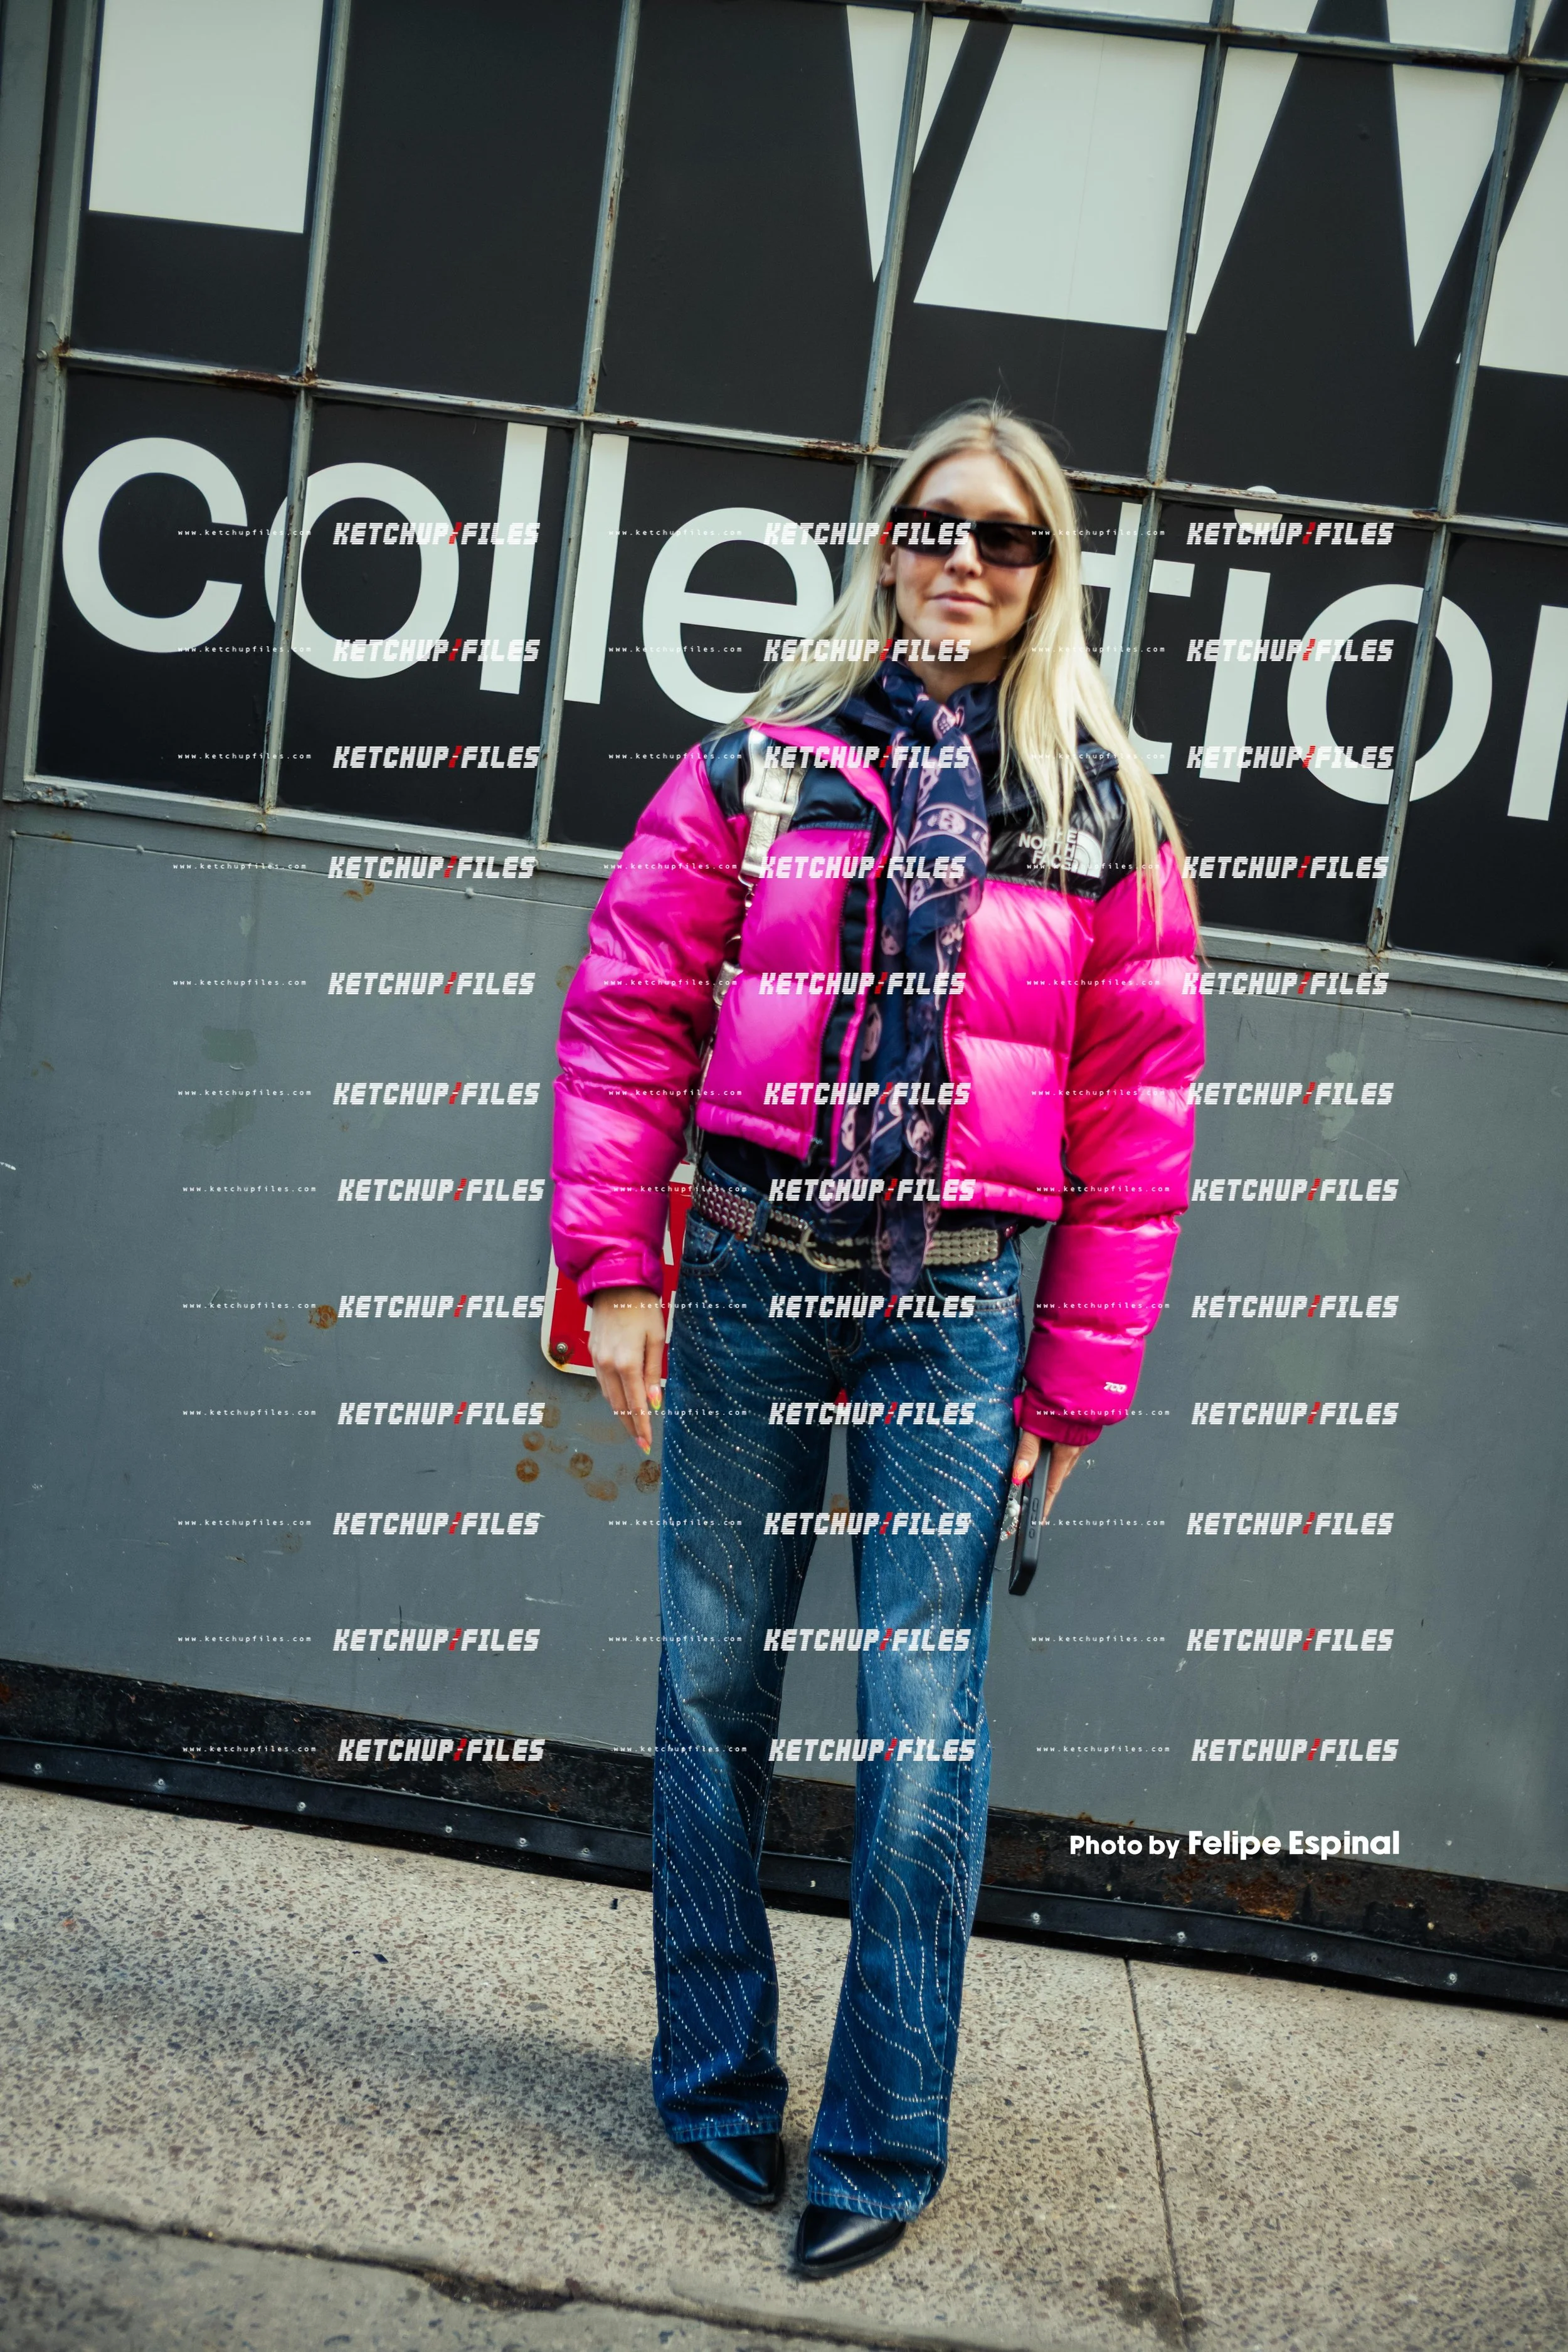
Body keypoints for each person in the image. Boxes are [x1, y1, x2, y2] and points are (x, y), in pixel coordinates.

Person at [550, 403, 1203, 2278]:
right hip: (753, 1269)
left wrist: (1076, 1371)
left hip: (956, 1305)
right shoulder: (765, 761)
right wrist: (617, 1259)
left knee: (918, 1722)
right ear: (889, 543)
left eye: (1006, 539)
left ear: (1047, 568)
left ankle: (886, 2129)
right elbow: (629, 1008)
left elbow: (1134, 1120)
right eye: (936, 526)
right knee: (708, 1688)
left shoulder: (1102, 807)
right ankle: (710, 2078)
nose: (964, 563)